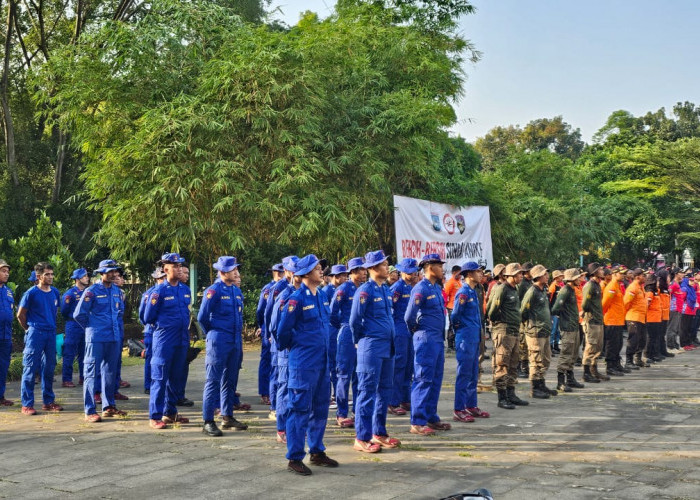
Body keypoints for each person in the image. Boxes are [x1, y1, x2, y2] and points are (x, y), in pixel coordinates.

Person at [277, 254, 338, 475]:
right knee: (299, 408)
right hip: (303, 363)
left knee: (320, 407)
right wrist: (298, 348)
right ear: (304, 274)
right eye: (317, 268)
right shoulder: (296, 299)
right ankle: (294, 457)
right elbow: (283, 332)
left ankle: (317, 450)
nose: (321, 270)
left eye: (321, 267)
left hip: (322, 362)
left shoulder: (321, 296)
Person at [350, 250, 400, 452]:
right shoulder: (365, 291)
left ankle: (378, 432)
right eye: (382, 264)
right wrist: (359, 341)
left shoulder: (386, 290)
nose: (387, 266)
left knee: (384, 391)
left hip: (388, 347)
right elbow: (355, 321)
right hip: (371, 347)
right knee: (367, 391)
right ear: (372, 268)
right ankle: (361, 437)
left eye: (386, 263)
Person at [197, 256, 249, 436]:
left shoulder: (236, 291)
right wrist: (214, 333)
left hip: (235, 340)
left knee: (230, 379)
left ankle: (227, 416)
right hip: (219, 339)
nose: (236, 272)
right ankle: (208, 420)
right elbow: (202, 317)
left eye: (236, 269)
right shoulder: (213, 291)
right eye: (233, 270)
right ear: (223, 272)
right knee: (213, 380)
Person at [73, 259, 126, 422]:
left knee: (110, 373)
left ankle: (108, 406)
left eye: (114, 271)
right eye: (109, 271)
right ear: (101, 273)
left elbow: (119, 313)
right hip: (96, 339)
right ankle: (90, 410)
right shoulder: (92, 291)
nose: (113, 273)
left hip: (113, 338)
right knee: (90, 373)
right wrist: (91, 329)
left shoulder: (117, 291)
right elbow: (78, 315)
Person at [143, 252, 192, 429]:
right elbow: (147, 317)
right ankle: (155, 415)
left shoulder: (185, 290)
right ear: (166, 269)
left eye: (180, 266)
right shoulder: (158, 292)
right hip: (164, 339)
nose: (179, 269)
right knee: (160, 377)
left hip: (181, 338)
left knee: (176, 377)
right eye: (175, 266)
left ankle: (170, 412)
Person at [405, 253, 452, 435]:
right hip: (425, 339)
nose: (442, 269)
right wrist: (418, 331)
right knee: (423, 379)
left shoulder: (435, 288)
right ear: (430, 267)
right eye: (439, 266)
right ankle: (417, 421)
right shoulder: (421, 288)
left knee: (435, 379)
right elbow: (409, 316)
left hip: (437, 339)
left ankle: (431, 417)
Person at [17, 262, 63, 415]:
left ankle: (48, 401)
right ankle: (27, 404)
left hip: (50, 333)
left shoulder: (55, 292)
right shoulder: (31, 293)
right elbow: (20, 315)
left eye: (51, 274)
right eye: (47, 274)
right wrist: (29, 329)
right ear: (38, 276)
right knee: (30, 368)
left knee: (49, 367)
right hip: (35, 333)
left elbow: (54, 311)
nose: (50, 277)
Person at [451, 261, 490, 422]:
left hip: (475, 336)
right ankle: (459, 408)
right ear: (469, 274)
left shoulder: (474, 292)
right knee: (464, 373)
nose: (480, 274)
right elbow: (455, 317)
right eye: (477, 272)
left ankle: (471, 405)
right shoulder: (463, 293)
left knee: (474, 372)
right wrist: (461, 331)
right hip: (465, 338)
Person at [268, 255, 302, 444]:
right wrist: (283, 345)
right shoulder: (284, 294)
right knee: (284, 387)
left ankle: (294, 425)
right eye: (294, 269)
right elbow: (274, 325)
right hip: (286, 349)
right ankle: (282, 427)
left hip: (300, 350)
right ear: (288, 272)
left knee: (296, 388)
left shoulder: (304, 293)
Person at [486, 263, 529, 410]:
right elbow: (492, 310)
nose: (521, 276)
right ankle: (502, 397)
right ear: (510, 275)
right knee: (502, 363)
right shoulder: (502, 288)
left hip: (514, 330)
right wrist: (499, 322)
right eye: (518, 274)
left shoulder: (514, 289)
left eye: (521, 274)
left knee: (513, 364)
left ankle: (511, 394)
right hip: (504, 331)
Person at [331, 257, 365, 428]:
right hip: (346, 334)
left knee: (360, 374)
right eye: (360, 270)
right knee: (344, 374)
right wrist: (344, 327)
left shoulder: (365, 289)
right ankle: (342, 413)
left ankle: (357, 411)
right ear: (352, 272)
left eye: (364, 269)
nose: (364, 272)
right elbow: (332, 314)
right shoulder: (344, 289)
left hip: (362, 334)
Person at [264, 257, 296, 421]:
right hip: (279, 340)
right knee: (279, 375)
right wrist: (270, 335)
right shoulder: (281, 288)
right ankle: (275, 408)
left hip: (293, 342)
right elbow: (269, 313)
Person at [520, 265, 557, 399]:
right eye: (545, 274)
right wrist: (530, 324)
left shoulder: (543, 290)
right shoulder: (532, 291)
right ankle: (535, 388)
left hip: (545, 330)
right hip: (535, 331)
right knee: (536, 360)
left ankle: (541, 384)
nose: (547, 276)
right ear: (538, 277)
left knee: (546, 359)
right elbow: (523, 311)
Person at [388, 258, 419, 416]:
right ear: (403, 272)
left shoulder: (410, 287)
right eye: (411, 272)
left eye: (415, 271)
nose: (414, 274)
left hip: (409, 330)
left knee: (408, 365)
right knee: (399, 365)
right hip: (399, 329)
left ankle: (404, 398)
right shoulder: (397, 288)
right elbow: (389, 309)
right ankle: (392, 402)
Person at [552, 269, 585, 392]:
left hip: (574, 325)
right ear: (571, 279)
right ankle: (560, 382)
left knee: (573, 354)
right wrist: (564, 316)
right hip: (567, 327)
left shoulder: (572, 290)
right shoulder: (566, 290)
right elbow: (555, 308)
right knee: (566, 353)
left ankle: (570, 379)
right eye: (577, 278)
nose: (579, 279)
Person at [256, 263, 283, 406]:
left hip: (279, 329)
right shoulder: (269, 289)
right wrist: (264, 327)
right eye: (280, 272)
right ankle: (265, 392)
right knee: (267, 361)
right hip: (269, 329)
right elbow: (261, 311)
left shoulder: (286, 286)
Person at [323, 264, 348, 408]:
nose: (345, 278)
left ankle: (335, 393)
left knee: (338, 363)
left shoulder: (341, 289)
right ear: (335, 277)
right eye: (343, 275)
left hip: (339, 329)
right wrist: (339, 325)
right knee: (332, 362)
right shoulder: (327, 290)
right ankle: (332, 394)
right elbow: (330, 314)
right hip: (332, 329)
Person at [60, 268, 90, 387]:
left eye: (87, 276)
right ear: (77, 279)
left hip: (86, 325)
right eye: (84, 276)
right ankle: (66, 379)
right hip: (73, 325)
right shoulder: (70, 294)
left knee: (85, 353)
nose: (87, 278)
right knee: (69, 352)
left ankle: (83, 377)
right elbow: (64, 311)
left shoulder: (88, 292)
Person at [581, 263, 609, 382]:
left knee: (598, 347)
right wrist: (590, 314)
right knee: (590, 347)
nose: (603, 271)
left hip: (598, 320)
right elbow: (585, 305)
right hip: (591, 320)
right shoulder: (590, 286)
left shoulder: (597, 285)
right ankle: (586, 373)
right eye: (600, 269)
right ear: (595, 272)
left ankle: (594, 370)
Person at [601, 266, 628, 376]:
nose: (623, 275)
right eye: (620, 273)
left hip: (618, 320)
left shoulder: (617, 286)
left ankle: (616, 364)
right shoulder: (611, 287)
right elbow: (605, 303)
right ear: (614, 274)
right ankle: (610, 367)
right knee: (611, 345)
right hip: (612, 320)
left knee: (618, 344)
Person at [623, 268, 648, 368]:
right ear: (638, 277)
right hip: (633, 317)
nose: (645, 277)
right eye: (643, 275)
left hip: (641, 317)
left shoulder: (640, 287)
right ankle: (628, 362)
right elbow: (626, 303)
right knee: (633, 340)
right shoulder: (633, 287)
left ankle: (637, 359)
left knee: (642, 340)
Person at [0, 260, 14, 407]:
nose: (6, 274)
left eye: (7, 271)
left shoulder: (8, 291)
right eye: (3, 271)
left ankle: (1, 396)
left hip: (5, 335)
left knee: (3, 367)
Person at [516, 263, 534, 378]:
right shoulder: (522, 284)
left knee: (526, 343)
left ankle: (525, 366)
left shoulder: (529, 283)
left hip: (528, 317)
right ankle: (521, 367)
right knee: (522, 343)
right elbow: (520, 301)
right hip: (522, 317)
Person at [444, 265, 462, 352]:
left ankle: (455, 344)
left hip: (458, 307)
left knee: (457, 326)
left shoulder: (459, 282)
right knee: (452, 326)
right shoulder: (450, 282)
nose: (461, 275)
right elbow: (445, 295)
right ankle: (450, 346)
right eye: (459, 273)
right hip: (451, 307)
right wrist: (446, 306)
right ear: (454, 272)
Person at [548, 270, 564, 353]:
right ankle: (550, 346)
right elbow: (550, 299)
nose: (562, 277)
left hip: (558, 312)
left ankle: (556, 345)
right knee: (553, 330)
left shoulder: (560, 286)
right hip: (553, 312)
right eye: (560, 276)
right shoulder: (553, 286)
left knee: (557, 330)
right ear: (556, 277)